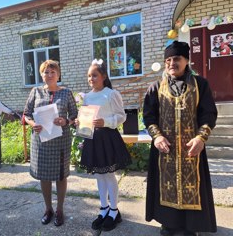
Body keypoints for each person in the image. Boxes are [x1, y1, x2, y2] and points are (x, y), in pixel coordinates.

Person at [143, 41, 218, 236]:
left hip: (190, 150)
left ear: (186, 60)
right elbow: (149, 116)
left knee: (191, 186)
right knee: (166, 185)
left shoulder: (200, 85)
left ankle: (190, 227)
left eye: (176, 59)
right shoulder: (156, 87)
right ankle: (168, 224)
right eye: (168, 60)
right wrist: (156, 136)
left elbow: (208, 114)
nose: (171, 63)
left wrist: (201, 138)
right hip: (164, 151)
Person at [78, 59, 132, 232]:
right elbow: (86, 117)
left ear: (104, 76)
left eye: (94, 75)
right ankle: (103, 208)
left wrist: (106, 121)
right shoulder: (87, 96)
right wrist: (81, 123)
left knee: (108, 174)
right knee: (99, 175)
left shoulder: (111, 94)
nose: (91, 79)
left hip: (108, 138)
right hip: (92, 139)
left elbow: (121, 116)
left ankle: (114, 210)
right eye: (89, 76)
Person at [23, 60, 78, 227]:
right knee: (44, 177)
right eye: (46, 72)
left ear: (58, 74)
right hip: (41, 141)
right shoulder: (35, 91)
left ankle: (60, 209)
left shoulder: (67, 93)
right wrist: (33, 124)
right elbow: (26, 114)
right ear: (42, 75)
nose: (49, 75)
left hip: (61, 142)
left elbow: (75, 116)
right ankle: (48, 209)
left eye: (52, 72)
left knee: (61, 176)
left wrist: (66, 121)